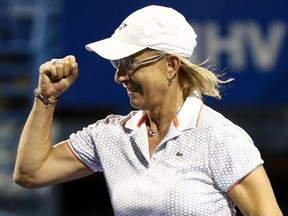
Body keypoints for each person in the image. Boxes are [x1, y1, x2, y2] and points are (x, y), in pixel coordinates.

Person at [13, 5, 282, 216]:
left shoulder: (221, 138)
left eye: (130, 63)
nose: (119, 76)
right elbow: (30, 173)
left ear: (171, 65)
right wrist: (45, 98)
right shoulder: (111, 135)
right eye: (118, 64)